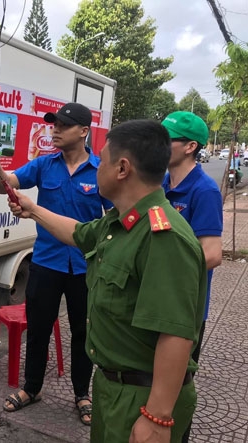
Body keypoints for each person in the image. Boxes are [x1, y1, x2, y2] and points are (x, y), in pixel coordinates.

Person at [7, 119, 206, 442]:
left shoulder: (163, 236)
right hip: (114, 387)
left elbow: (176, 334)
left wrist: (157, 417)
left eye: (103, 159)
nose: (96, 167)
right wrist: (32, 210)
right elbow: (76, 232)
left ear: (122, 168)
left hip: (141, 396)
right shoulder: (120, 222)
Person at [0, 102, 111, 425]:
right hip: (46, 262)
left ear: (83, 131)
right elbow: (6, 185)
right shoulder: (43, 165)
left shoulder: (100, 172)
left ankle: (82, 393)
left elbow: (115, 215)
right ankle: (32, 388)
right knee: (38, 329)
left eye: (63, 125)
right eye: (53, 124)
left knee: (84, 333)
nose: (54, 130)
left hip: (84, 267)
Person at [161, 111, 223, 442]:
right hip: (153, 303)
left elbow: (212, 254)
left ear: (189, 147)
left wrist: (162, 265)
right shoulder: (158, 183)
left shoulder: (204, 190)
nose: (159, 144)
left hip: (184, 310)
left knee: (174, 391)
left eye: (166, 139)